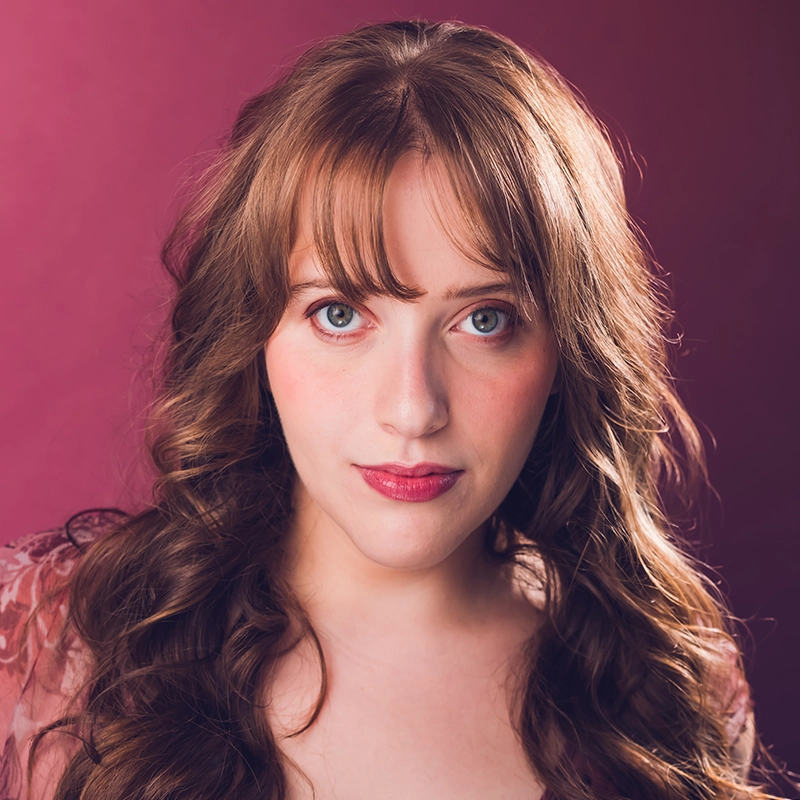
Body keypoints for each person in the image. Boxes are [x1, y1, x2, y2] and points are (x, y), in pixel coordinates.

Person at [0, 19, 775, 800]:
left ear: (567, 353)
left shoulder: (671, 690)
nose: (412, 409)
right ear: (254, 333)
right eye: (340, 314)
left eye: (485, 320)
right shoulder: (44, 649)